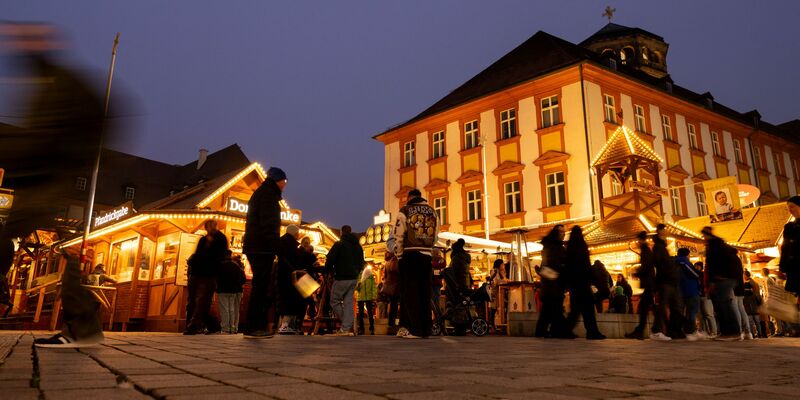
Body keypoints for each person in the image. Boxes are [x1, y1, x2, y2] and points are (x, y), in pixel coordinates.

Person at [0, 22, 111, 347]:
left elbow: (47, 136)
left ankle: (83, 326)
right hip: (45, 179)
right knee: (63, 254)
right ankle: (84, 326)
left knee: (16, 242)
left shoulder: (60, 85)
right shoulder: (51, 83)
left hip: (49, 180)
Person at [388, 188, 439, 339]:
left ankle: (415, 329)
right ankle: (425, 329)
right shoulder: (433, 211)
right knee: (425, 293)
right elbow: (436, 236)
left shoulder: (405, 210)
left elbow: (399, 235)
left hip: (410, 254)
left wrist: (399, 255)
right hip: (426, 255)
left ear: (409, 198)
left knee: (411, 294)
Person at [242, 167, 286, 338]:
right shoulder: (268, 196)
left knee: (260, 286)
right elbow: (268, 224)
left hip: (257, 246)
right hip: (261, 248)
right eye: (283, 181)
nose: (284, 185)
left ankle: (255, 325)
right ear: (277, 180)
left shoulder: (263, 193)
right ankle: (253, 327)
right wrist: (276, 246)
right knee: (260, 287)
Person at [650, 224, 696, 341]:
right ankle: (657, 331)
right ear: (660, 231)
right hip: (665, 281)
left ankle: (677, 331)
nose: (667, 231)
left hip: (670, 281)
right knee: (663, 307)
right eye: (665, 229)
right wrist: (668, 270)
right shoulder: (658, 246)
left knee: (676, 307)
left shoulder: (663, 246)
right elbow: (657, 262)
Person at [184, 220, 228, 335]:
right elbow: (197, 254)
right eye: (208, 226)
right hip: (197, 273)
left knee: (202, 300)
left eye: (211, 226)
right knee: (194, 300)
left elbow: (220, 256)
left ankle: (193, 326)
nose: (210, 228)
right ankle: (212, 325)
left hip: (209, 274)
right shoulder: (203, 239)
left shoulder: (220, 239)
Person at [564, 226, 605, 340]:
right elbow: (587, 266)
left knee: (575, 311)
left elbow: (568, 268)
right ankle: (592, 332)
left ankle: (566, 330)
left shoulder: (569, 249)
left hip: (574, 285)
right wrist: (593, 280)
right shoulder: (582, 247)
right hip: (583, 284)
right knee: (588, 310)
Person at [703, 226, 742, 340]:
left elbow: (714, 264)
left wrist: (714, 279)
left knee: (723, 305)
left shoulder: (715, 247)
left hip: (722, 279)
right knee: (723, 305)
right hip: (726, 279)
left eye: (704, 236)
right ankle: (728, 331)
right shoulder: (721, 246)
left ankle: (731, 332)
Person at [325, 225, 365, 336]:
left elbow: (330, 259)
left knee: (334, 301)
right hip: (354, 277)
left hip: (342, 276)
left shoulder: (339, 244)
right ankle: (346, 327)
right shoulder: (358, 247)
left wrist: (327, 270)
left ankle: (346, 323)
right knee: (348, 302)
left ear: (342, 233)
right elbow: (362, 262)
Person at [276, 225, 316, 334]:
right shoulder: (292, 245)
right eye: (297, 233)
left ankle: (286, 324)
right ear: (295, 234)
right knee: (292, 301)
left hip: (282, 276)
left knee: (286, 301)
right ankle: (286, 325)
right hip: (292, 277)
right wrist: (311, 256)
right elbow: (299, 259)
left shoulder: (281, 242)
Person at [535, 224, 568, 338]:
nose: (563, 234)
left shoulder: (554, 246)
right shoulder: (553, 247)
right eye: (561, 232)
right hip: (552, 284)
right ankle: (559, 331)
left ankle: (542, 331)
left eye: (564, 232)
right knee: (555, 309)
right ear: (556, 233)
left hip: (552, 284)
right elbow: (551, 265)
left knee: (548, 310)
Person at [625, 231, 655, 340]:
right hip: (650, 284)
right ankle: (641, 331)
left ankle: (641, 331)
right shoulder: (646, 250)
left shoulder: (645, 251)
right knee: (647, 307)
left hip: (648, 284)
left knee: (643, 308)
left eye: (637, 240)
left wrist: (637, 273)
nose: (637, 242)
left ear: (641, 240)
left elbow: (646, 266)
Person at [446, 238, 472, 336]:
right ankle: (462, 328)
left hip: (457, 286)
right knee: (462, 306)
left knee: (457, 306)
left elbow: (452, 272)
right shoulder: (466, 257)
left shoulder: (456, 258)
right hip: (465, 284)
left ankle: (459, 329)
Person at [216, 251, 246, 334]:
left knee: (224, 309)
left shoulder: (220, 265)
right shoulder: (236, 266)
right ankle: (232, 328)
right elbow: (240, 279)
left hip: (223, 290)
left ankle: (225, 328)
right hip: (234, 290)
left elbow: (217, 277)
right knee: (232, 309)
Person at [677, 248, 703, 338]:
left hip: (682, 290)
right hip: (691, 290)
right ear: (687, 255)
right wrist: (699, 274)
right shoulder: (684, 262)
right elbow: (695, 274)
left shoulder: (675, 262)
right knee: (692, 312)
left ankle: (685, 330)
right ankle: (691, 331)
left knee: (686, 312)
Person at [779, 196, 800, 295]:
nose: (790, 210)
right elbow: (785, 248)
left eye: (792, 206)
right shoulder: (789, 227)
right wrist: (783, 266)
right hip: (794, 268)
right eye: (788, 208)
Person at [381, 251, 400, 335]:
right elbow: (395, 270)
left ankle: (390, 324)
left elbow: (385, 276)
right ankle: (393, 325)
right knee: (394, 306)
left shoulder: (387, 262)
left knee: (392, 306)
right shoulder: (394, 261)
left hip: (389, 287)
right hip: (395, 287)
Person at [696, 262, 718, 337]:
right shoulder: (696, 275)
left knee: (709, 314)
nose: (696, 268)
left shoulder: (703, 275)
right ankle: (705, 331)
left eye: (697, 266)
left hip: (705, 295)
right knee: (701, 316)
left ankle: (714, 332)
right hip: (699, 295)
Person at [355, 264, 378, 335]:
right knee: (361, 313)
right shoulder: (359, 276)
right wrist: (358, 285)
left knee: (370, 313)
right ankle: (361, 328)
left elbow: (374, 287)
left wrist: (374, 296)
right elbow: (356, 288)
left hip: (368, 297)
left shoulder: (370, 277)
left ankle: (372, 328)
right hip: (361, 297)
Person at [743, 270, 764, 338]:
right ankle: (760, 334)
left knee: (751, 322)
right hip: (755, 307)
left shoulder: (749, 284)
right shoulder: (754, 283)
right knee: (757, 321)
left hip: (750, 307)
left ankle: (753, 334)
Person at [488, 259, 508, 331]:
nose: (504, 265)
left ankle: (493, 325)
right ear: (499, 265)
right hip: (493, 293)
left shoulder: (500, 272)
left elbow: (503, 279)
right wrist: (506, 281)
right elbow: (497, 281)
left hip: (497, 293)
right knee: (493, 310)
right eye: (502, 264)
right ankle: (492, 326)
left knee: (495, 309)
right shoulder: (495, 271)